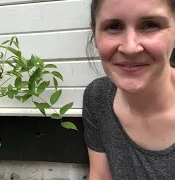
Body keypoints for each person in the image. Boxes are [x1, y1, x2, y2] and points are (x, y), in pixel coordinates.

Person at [83, 0, 175, 179]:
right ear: (95, 34)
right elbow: (100, 175)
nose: (130, 48)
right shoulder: (97, 97)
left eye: (150, 25)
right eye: (114, 26)